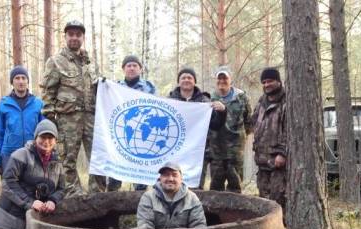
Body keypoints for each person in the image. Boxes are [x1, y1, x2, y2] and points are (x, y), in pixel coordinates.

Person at [40, 20, 103, 195]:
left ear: (83, 37)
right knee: (67, 160)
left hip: (91, 119)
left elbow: (99, 90)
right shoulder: (56, 62)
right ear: (65, 37)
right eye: (71, 34)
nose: (74, 38)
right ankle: (74, 195)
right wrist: (51, 119)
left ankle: (97, 195)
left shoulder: (90, 64)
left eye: (78, 35)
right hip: (67, 120)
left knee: (98, 158)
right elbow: (47, 91)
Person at [168, 67, 226, 189]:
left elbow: (216, 125)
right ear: (179, 81)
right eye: (183, 78)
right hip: (175, 150)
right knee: (173, 184)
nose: (186, 80)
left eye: (190, 78)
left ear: (194, 81)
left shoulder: (204, 101)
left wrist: (222, 112)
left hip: (197, 152)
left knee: (195, 186)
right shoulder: (169, 100)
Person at [107, 54, 157, 192]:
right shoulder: (115, 87)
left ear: (140, 69)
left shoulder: (149, 87)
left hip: (141, 135)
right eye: (129, 65)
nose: (132, 68)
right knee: (115, 172)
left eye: (135, 65)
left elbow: (156, 108)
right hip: (120, 134)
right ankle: (111, 200)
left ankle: (140, 201)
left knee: (140, 175)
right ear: (123, 69)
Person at [0, 66, 44, 176]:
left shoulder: (37, 104)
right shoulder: (4, 104)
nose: (21, 81)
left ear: (27, 81)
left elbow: (44, 133)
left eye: (24, 78)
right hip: (9, 155)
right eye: (17, 78)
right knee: (10, 186)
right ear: (12, 82)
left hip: (32, 154)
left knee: (32, 186)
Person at [208, 66, 253, 193]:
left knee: (235, 185)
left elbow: (249, 121)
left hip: (235, 150)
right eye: (219, 78)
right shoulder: (210, 98)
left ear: (230, 79)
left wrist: (239, 138)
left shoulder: (241, 97)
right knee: (215, 187)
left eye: (225, 78)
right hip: (216, 149)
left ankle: (235, 206)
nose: (222, 81)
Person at [251, 67, 287, 213]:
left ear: (278, 81)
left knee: (278, 203)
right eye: (264, 82)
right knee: (263, 203)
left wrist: (282, 153)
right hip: (262, 162)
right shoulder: (261, 101)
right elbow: (253, 123)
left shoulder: (286, 101)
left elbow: (290, 130)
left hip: (278, 163)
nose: (266, 85)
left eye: (270, 81)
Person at [136, 162, 207, 229]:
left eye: (174, 175)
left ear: (181, 178)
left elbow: (198, 227)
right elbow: (145, 227)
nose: (170, 179)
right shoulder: (148, 197)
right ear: (160, 178)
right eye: (166, 175)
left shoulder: (192, 198)